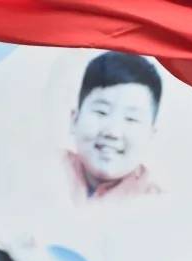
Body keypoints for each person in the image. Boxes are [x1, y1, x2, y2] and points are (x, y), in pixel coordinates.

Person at [67, 51, 162, 200]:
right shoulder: (38, 172)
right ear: (74, 119)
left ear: (150, 135)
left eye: (131, 119)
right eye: (102, 112)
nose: (112, 132)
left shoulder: (158, 207)